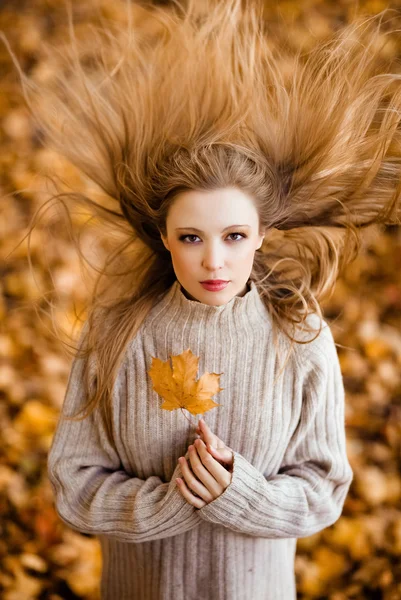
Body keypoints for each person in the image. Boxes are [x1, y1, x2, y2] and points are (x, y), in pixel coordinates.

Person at [14, 0, 401, 598]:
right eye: (191, 238)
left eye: (235, 237)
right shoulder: (118, 333)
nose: (213, 261)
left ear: (262, 236)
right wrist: (170, 503)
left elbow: (324, 490)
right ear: (165, 238)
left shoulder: (299, 339)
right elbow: (72, 484)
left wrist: (237, 495)